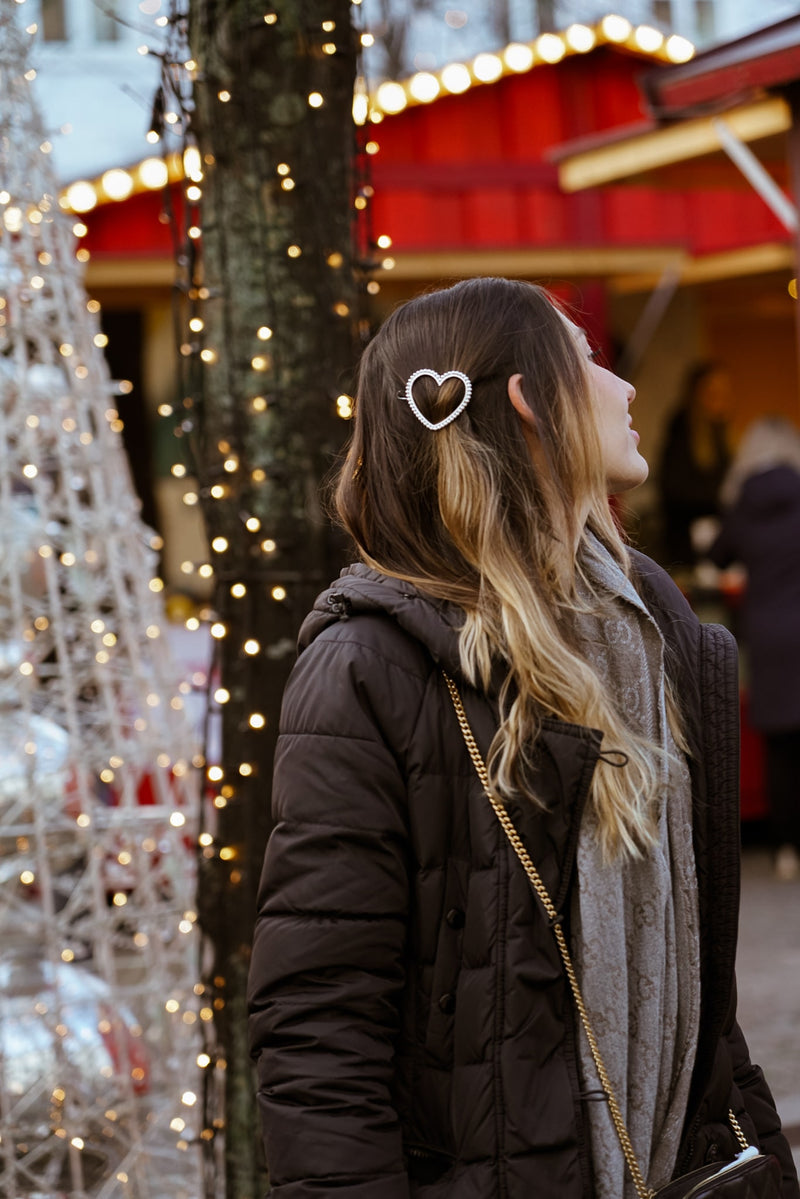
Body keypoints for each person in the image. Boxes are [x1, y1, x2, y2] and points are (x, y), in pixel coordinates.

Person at [247, 279, 798, 1198]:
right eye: (588, 362)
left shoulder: (652, 629)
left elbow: (694, 987)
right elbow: (319, 1026)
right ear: (528, 400)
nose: (624, 387)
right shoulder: (370, 664)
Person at [710, 416, 800, 881]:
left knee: (780, 746)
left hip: (767, 636)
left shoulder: (743, 503)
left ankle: (786, 847)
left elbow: (717, 556)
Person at [658, 361, 732, 567]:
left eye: (725, 393)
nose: (721, 400)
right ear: (697, 395)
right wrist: (722, 499)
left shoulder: (721, 434)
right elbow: (675, 490)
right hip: (688, 545)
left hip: (715, 542)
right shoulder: (682, 434)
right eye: (713, 393)